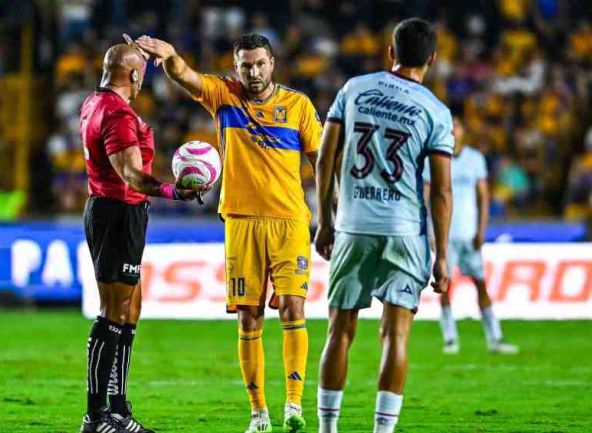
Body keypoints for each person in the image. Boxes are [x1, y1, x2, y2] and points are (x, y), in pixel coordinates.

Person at [137, 33, 321, 433]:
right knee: (249, 318)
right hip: (240, 219)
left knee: (293, 307)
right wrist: (170, 54)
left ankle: (293, 405)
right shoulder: (224, 96)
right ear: (235, 66)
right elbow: (184, 75)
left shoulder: (298, 106)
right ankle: (259, 414)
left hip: (290, 220)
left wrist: (332, 212)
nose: (253, 72)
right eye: (245, 65)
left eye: (259, 64)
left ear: (272, 64)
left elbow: (321, 161)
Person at [314, 18, 453, 433]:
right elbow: (441, 191)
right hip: (405, 230)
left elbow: (325, 159)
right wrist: (442, 255)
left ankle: (327, 428)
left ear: (390, 53)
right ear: (432, 58)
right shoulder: (436, 111)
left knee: (339, 331)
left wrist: (325, 221)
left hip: (353, 226)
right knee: (396, 336)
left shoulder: (353, 89)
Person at [79, 39, 203, 433]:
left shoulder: (93, 102)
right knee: (112, 313)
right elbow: (130, 175)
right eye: (142, 72)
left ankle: (117, 410)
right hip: (117, 213)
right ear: (133, 74)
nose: (144, 79)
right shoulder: (117, 114)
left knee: (129, 311)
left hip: (120, 212)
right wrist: (173, 191)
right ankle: (96, 418)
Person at [423, 117, 519, 355]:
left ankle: (495, 338)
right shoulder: (433, 159)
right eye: (450, 126)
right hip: (445, 235)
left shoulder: (475, 159)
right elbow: (426, 197)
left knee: (480, 284)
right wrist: (430, 231)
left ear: (464, 131)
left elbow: (483, 197)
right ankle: (450, 339)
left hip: (469, 233)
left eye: (458, 125)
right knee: (444, 286)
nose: (454, 130)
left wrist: (481, 230)